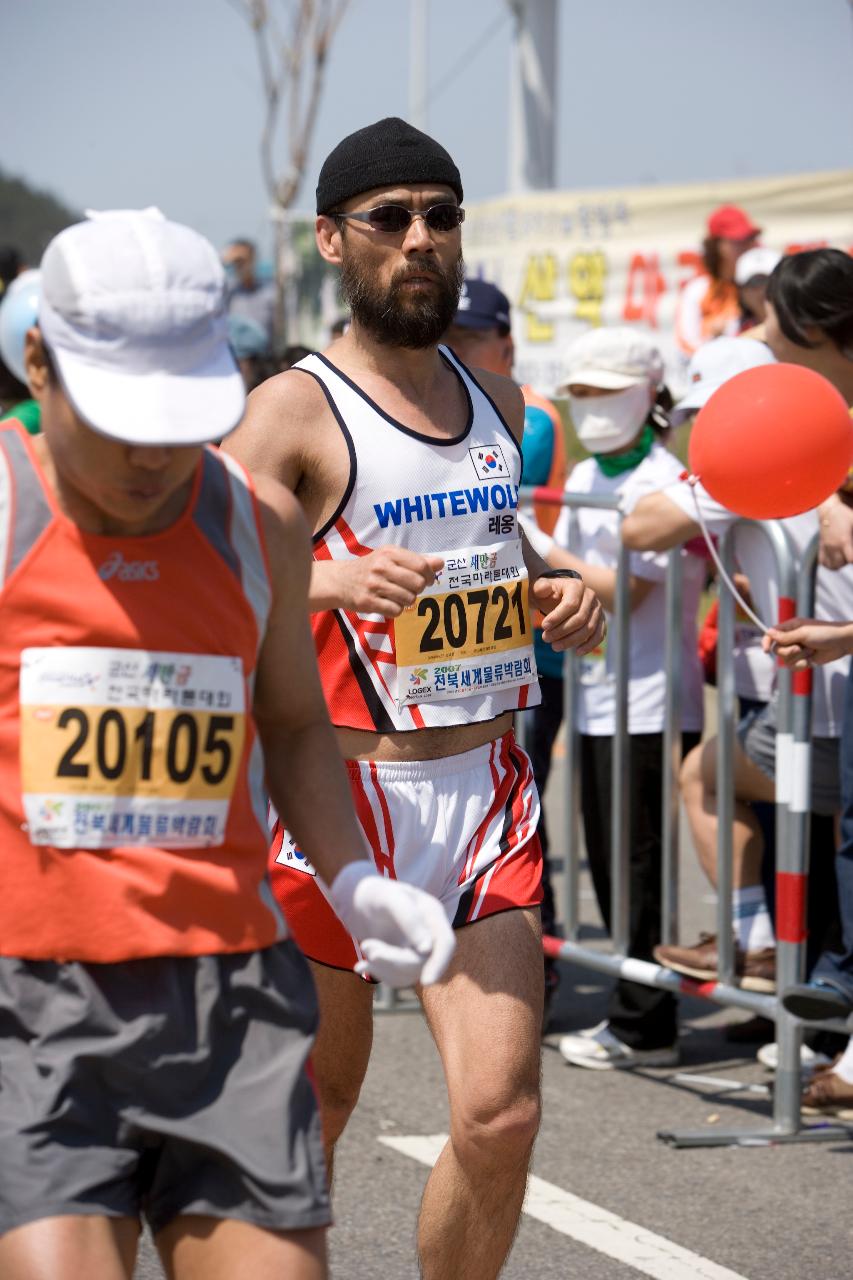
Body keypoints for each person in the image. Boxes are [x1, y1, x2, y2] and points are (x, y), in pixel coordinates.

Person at [0, 207, 457, 1280]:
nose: (153, 454)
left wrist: (351, 877)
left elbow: (293, 719)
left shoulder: (257, 523)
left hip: (232, 999)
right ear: (37, 361)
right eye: (121, 417)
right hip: (33, 999)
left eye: (178, 418)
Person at [224, 116, 605, 1280]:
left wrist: (563, 590)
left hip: (486, 793)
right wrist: (327, 575)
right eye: (389, 219)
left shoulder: (497, 398)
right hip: (337, 803)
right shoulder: (298, 404)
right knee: (314, 1111)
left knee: (500, 1116)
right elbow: (209, 576)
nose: (420, 239)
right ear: (334, 241)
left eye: (439, 214)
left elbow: (498, 553)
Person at [520, 327, 705, 1068]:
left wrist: (543, 550)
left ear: (647, 395)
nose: (591, 408)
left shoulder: (661, 480)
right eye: (582, 394)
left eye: (606, 392)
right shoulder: (591, 476)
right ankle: (633, 1009)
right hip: (596, 692)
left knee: (638, 862)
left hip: (654, 697)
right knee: (602, 854)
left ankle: (645, 1021)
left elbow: (624, 592)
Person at [442, 276, 568, 1007]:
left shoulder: (527, 414)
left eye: (470, 339)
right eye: (446, 339)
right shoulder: (437, 409)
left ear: (505, 344)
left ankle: (529, 964)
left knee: (524, 812)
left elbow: (488, 511)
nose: (456, 353)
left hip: (532, 658)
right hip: (446, 669)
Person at [675, 204, 761, 355]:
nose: (747, 246)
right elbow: (686, 344)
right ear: (716, 246)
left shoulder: (764, 286)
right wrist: (713, 341)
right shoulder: (698, 289)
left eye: (749, 239)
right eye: (737, 241)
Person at [222, 237, 277, 344]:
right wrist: (225, 261)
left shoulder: (269, 292)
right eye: (237, 262)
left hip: (263, 356)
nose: (241, 266)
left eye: (243, 261)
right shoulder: (229, 293)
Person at [735, 245, 781, 336]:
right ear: (742, 292)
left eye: (770, 281)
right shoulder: (730, 331)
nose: (763, 289)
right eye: (754, 283)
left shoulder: (804, 327)